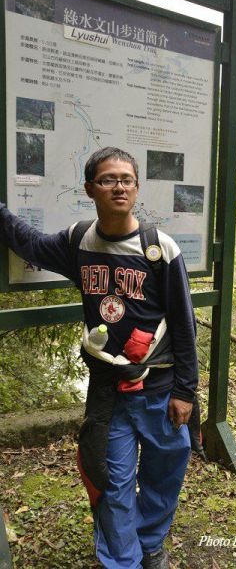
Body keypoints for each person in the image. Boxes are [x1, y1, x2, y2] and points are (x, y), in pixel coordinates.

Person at [0, 147, 198, 569]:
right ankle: (122, 560)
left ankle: (149, 544)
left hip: (160, 388)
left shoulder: (159, 249)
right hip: (109, 393)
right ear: (90, 188)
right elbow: (30, 243)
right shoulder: (79, 241)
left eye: (126, 179)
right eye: (108, 179)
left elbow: (184, 325)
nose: (119, 186)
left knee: (164, 474)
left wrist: (187, 391)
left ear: (137, 186)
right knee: (111, 481)